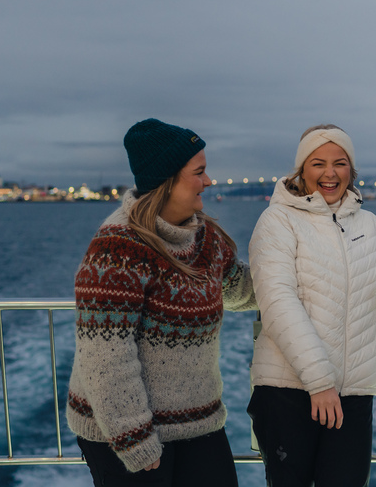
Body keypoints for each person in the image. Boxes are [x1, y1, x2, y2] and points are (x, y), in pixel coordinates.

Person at [66, 118, 258, 486]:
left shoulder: (206, 239)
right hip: (125, 432)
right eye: (199, 172)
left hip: (197, 423)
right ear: (167, 181)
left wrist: (305, 272)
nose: (209, 181)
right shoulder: (117, 249)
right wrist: (134, 437)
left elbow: (242, 290)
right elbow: (105, 353)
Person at [247, 124, 376, 487]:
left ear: (351, 170)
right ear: (301, 170)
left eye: (340, 163)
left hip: (353, 392)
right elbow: (278, 303)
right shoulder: (277, 221)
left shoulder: (368, 224)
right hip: (289, 391)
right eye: (318, 163)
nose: (330, 173)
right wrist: (320, 382)